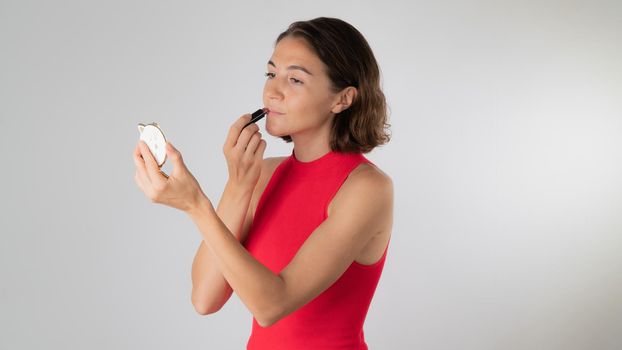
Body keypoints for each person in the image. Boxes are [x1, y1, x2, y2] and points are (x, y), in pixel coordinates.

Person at [133, 16, 393, 350]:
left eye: (295, 79)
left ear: (342, 99)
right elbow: (205, 299)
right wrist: (239, 187)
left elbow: (271, 305)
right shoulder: (263, 174)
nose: (272, 91)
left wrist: (196, 206)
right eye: (271, 74)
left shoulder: (367, 188)